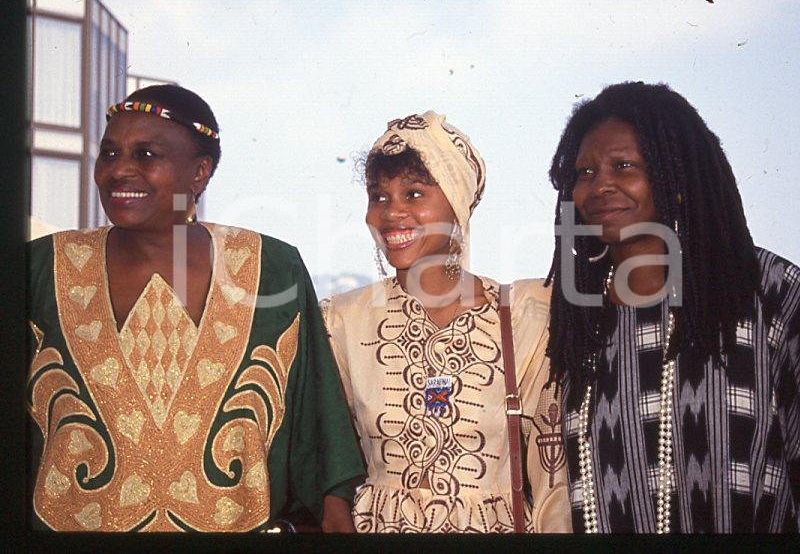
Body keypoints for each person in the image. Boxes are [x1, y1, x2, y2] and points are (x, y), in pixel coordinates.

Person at [26, 84, 364, 532]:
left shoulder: (272, 269)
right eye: (109, 154)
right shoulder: (39, 268)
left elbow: (318, 431)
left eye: (146, 155)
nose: (119, 170)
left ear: (199, 172)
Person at [544, 81, 800, 533]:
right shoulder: (577, 322)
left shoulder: (765, 293)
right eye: (585, 173)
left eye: (624, 166)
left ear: (676, 178)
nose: (601, 186)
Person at [320, 111, 571, 533]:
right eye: (378, 196)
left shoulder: (524, 319)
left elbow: (554, 484)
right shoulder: (343, 322)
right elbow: (330, 465)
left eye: (414, 194)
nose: (391, 213)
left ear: (456, 202)